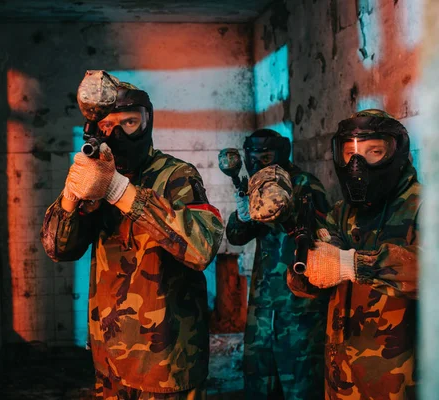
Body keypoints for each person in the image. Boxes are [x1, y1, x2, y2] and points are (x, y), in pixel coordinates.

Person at [40, 72, 224, 399]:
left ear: (147, 122)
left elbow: (201, 249)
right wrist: (72, 195)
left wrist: (120, 191)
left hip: (166, 362)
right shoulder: (96, 174)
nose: (119, 133)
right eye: (108, 125)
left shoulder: (176, 175)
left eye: (130, 122)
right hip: (110, 358)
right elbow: (58, 248)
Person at [287, 109, 420, 399]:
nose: (357, 163)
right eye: (350, 153)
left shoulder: (423, 205)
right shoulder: (342, 211)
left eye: (374, 151)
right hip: (342, 377)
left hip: (401, 380)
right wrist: (309, 265)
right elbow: (304, 284)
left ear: (396, 153)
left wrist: (353, 264)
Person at [224, 129, 330, 399]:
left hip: (298, 305)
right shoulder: (255, 186)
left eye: (266, 156)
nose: (260, 163)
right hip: (263, 305)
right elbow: (236, 237)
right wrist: (243, 212)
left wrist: (287, 211)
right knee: (260, 382)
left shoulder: (305, 184)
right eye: (254, 156)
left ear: (281, 154)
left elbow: (326, 238)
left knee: (301, 382)